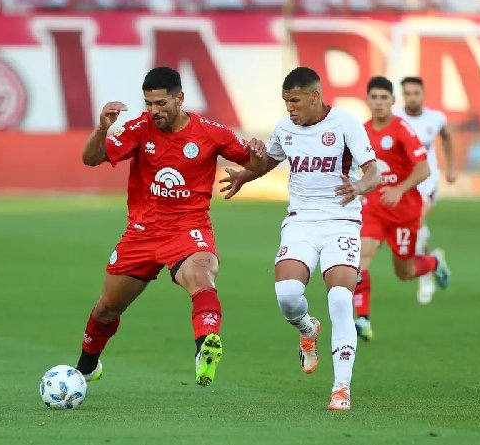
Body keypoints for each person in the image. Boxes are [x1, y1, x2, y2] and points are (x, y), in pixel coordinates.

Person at [76, 66, 263, 387]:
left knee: (202, 277)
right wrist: (100, 129)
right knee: (107, 308)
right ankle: (86, 367)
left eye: (161, 103)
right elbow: (91, 159)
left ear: (180, 99)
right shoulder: (139, 128)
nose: (154, 111)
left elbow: (252, 161)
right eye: (149, 103)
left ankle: (204, 346)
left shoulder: (211, 132)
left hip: (188, 229)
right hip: (142, 232)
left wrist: (254, 162)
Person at [219, 66, 380, 411]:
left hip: (342, 222)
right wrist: (244, 176)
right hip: (301, 223)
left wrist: (359, 187)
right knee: (288, 296)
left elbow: (373, 172)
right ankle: (307, 330)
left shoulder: (346, 124)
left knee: (340, 299)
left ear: (314, 96)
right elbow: (270, 161)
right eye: (285, 102)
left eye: (294, 101)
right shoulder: (286, 128)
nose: (289, 108)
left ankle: (341, 388)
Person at [353, 76, 451, 341]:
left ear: (392, 102)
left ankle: (434, 262)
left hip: (403, 210)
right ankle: (362, 318)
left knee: (404, 273)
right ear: (368, 100)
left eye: (384, 98)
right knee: (361, 258)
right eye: (374, 97)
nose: (379, 103)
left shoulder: (402, 130)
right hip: (373, 207)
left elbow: (424, 169)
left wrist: (399, 189)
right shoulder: (360, 131)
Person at [395, 76, 456, 304]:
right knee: (413, 230)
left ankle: (426, 278)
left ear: (423, 94)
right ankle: (433, 260)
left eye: (415, 93)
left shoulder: (436, 118)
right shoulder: (396, 119)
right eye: (407, 93)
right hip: (402, 183)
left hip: (427, 181)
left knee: (417, 222)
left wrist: (450, 168)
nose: (412, 97)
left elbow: (447, 138)